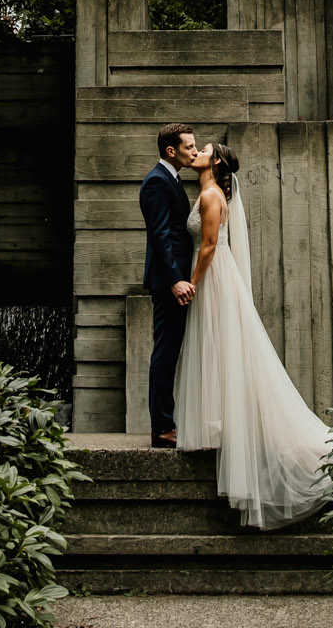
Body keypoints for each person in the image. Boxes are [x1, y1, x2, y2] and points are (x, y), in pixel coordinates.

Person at [173, 140, 333, 529]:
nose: (195, 154)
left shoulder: (212, 196)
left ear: (215, 162)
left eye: (203, 150)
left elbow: (210, 246)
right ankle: (221, 419)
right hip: (213, 278)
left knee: (226, 347)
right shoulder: (206, 192)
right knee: (219, 349)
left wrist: (192, 282)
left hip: (213, 279)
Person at [139, 124, 198, 449]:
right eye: (188, 146)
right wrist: (176, 279)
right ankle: (162, 428)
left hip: (173, 279)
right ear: (171, 150)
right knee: (164, 353)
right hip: (167, 283)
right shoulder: (157, 182)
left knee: (169, 352)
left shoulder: (170, 179)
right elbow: (159, 235)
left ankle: (167, 423)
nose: (194, 150)